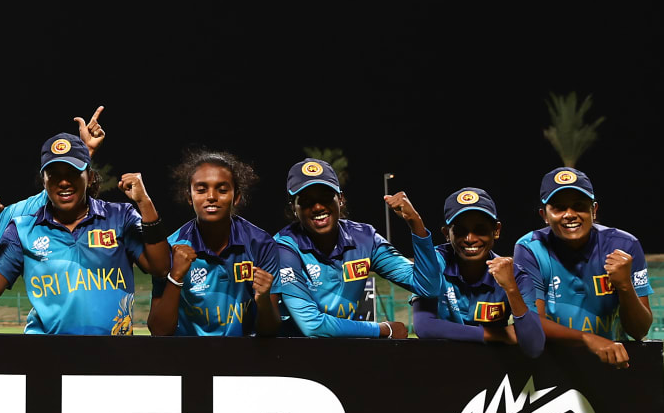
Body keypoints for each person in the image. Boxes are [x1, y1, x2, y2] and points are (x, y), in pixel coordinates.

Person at [0, 133, 170, 335]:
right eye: (54, 174)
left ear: (90, 177)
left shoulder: (120, 217)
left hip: (112, 356)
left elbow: (161, 267)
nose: (64, 181)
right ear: (44, 181)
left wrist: (144, 202)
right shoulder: (23, 229)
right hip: (47, 357)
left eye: (73, 172)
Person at [267, 158, 439, 338]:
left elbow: (428, 287)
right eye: (306, 200)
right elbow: (312, 326)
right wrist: (383, 329)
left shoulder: (365, 238)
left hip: (341, 352)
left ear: (340, 199)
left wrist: (416, 224)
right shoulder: (283, 248)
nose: (317, 207)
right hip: (290, 357)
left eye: (325, 196)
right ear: (294, 208)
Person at [513, 167, 650, 368]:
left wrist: (625, 286)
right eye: (559, 207)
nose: (570, 214)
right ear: (544, 214)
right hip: (554, 363)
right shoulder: (529, 248)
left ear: (593, 210)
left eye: (579, 206)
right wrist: (588, 339)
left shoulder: (625, 246)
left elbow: (640, 331)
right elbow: (533, 324)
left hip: (614, 363)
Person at [147, 150, 281, 336]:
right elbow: (158, 331)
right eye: (201, 190)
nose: (211, 196)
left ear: (237, 196)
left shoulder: (260, 243)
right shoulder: (171, 247)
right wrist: (175, 277)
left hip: (243, 359)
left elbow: (270, 332)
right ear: (189, 197)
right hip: (189, 359)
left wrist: (264, 299)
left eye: (222, 190)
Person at [408, 188, 543, 355]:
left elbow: (535, 346)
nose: (470, 238)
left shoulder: (515, 275)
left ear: (496, 231)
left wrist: (511, 289)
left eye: (480, 229)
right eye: (460, 231)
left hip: (491, 374)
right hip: (438, 366)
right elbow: (424, 327)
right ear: (446, 234)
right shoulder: (433, 264)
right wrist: (497, 335)